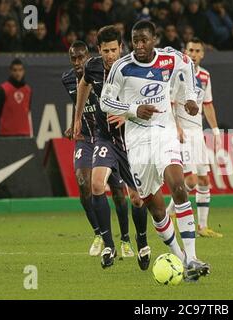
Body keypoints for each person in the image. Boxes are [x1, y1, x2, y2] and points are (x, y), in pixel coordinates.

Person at [100, 20, 210, 282]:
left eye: (144, 40)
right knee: (155, 207)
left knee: (179, 186)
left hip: (165, 133)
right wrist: (133, 110)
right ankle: (181, 261)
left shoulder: (170, 58)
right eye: (135, 40)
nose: (139, 45)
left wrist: (193, 99)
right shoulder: (122, 66)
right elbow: (105, 100)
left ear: (154, 39)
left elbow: (192, 74)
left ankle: (193, 256)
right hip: (137, 142)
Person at [73, 26, 150, 270]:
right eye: (105, 50)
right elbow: (84, 85)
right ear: (99, 50)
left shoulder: (134, 68)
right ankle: (108, 244)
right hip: (105, 137)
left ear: (121, 48)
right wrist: (77, 117)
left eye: (114, 50)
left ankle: (141, 241)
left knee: (137, 199)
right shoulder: (93, 67)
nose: (109, 55)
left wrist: (128, 115)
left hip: (132, 139)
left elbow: (149, 100)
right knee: (96, 184)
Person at [62, 40, 139, 258]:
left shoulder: (105, 75)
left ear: (89, 57)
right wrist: (74, 123)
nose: (77, 62)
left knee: (118, 192)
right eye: (73, 58)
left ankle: (125, 239)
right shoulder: (67, 79)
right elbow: (80, 104)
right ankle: (100, 234)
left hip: (108, 138)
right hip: (86, 138)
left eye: (81, 57)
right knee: (84, 182)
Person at [166, 37, 223, 238]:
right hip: (182, 133)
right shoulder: (177, 73)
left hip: (198, 133)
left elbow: (207, 104)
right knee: (189, 179)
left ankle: (202, 227)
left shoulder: (206, 76)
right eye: (191, 50)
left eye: (198, 51)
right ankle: (170, 212)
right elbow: (170, 103)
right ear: (185, 51)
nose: (194, 54)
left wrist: (215, 131)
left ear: (203, 53)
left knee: (204, 180)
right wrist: (177, 127)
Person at [0, 58, 33, 137]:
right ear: (10, 71)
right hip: (6, 134)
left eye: (20, 70)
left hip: (24, 133)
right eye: (15, 70)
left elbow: (27, 111)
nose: (18, 73)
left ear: (24, 71)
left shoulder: (28, 90)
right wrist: (0, 131)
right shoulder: (2, 90)